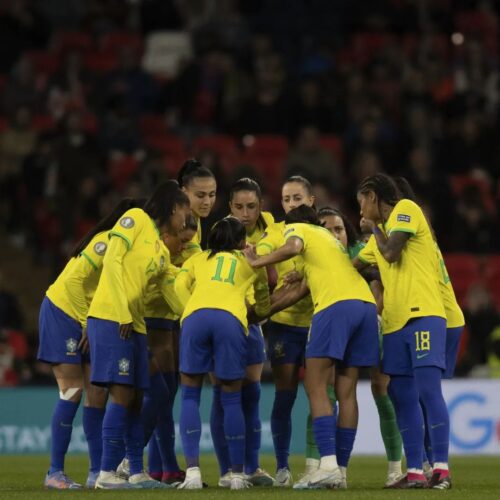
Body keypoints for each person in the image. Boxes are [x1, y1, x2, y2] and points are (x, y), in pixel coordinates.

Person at [246, 204, 379, 489]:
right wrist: (257, 315)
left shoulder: (302, 228)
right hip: (365, 307)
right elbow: (295, 292)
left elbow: (293, 245)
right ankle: (340, 472)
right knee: (346, 390)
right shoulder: (331, 247)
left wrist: (257, 261)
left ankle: (327, 464)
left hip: (334, 307)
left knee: (315, 385)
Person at [87, 180, 190, 489]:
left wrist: (195, 316)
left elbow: (172, 292)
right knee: (121, 393)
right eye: (184, 211)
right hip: (111, 317)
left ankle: (135, 471)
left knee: (135, 400)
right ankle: (105, 473)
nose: (186, 219)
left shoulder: (160, 250)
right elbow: (113, 259)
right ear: (173, 208)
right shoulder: (135, 218)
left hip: (136, 326)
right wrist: (120, 310)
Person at [354, 173, 450, 489]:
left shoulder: (406, 209)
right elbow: (354, 264)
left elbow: (392, 251)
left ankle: (441, 470)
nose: (360, 213)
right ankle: (415, 473)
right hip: (395, 323)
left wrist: (375, 230)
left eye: (361, 203)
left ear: (371, 196)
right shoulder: (378, 237)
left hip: (423, 314)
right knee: (401, 395)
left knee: (427, 390)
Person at [37, 199, 139, 489]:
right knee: (72, 391)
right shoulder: (105, 242)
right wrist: (85, 322)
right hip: (63, 312)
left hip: (88, 318)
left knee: (97, 394)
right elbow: (74, 283)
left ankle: (97, 472)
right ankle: (54, 472)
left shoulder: (127, 250)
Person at [174, 217, 271, 490]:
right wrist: (259, 311)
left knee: (190, 395)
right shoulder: (249, 260)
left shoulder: (197, 259)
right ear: (241, 242)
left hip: (195, 318)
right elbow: (263, 294)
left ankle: (192, 472)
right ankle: (237, 476)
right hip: (230, 320)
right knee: (231, 398)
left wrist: (189, 311)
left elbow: (178, 286)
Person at [315, 207, 404, 487]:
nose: (334, 234)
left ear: (347, 231)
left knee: (382, 389)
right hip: (343, 323)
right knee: (331, 391)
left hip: (377, 322)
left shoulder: (358, 251)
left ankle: (396, 467)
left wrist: (377, 315)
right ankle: (334, 469)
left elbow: (382, 281)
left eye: (339, 228)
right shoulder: (317, 254)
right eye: (327, 229)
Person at [393, 176, 465, 480]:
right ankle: (423, 464)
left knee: (422, 392)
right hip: (447, 317)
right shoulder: (423, 239)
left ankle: (434, 465)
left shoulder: (405, 231)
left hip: (442, 318)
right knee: (415, 392)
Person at [210, 178, 274, 487]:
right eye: (238, 207)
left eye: (251, 207)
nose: (245, 214)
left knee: (252, 393)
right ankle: (227, 469)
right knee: (223, 394)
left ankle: (252, 466)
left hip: (252, 327)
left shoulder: (272, 233)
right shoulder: (218, 238)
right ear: (229, 208)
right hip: (225, 323)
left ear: (261, 207)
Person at [256, 176, 315, 486]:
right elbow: (259, 252)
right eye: (287, 199)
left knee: (321, 396)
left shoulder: (319, 232)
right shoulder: (277, 233)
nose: (292, 204)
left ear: (311, 200)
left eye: (298, 199)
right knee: (285, 396)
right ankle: (282, 467)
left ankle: (319, 463)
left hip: (317, 324)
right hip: (284, 325)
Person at [145, 214, 198, 485]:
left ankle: (161, 468)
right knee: (156, 398)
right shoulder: (153, 255)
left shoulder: (193, 254)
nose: (185, 248)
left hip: (168, 327)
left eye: (190, 243)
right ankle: (124, 462)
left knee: (164, 398)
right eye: (183, 241)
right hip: (145, 325)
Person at [177, 158, 217, 260]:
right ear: (184, 192)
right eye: (200, 195)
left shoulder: (195, 216)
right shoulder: (176, 221)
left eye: (212, 195)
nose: (207, 202)